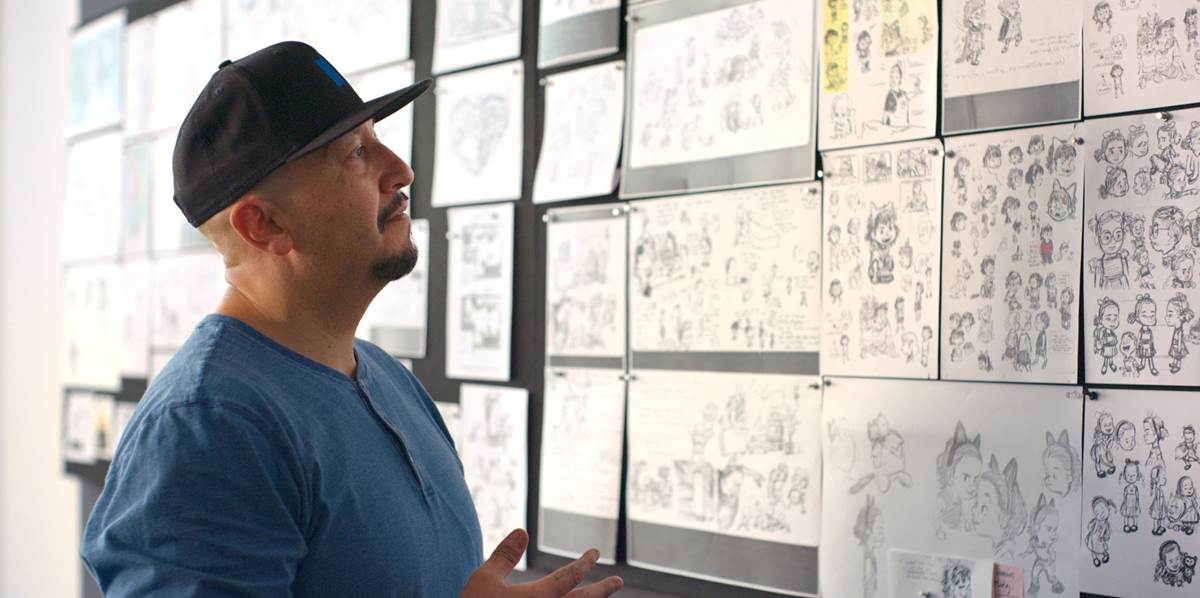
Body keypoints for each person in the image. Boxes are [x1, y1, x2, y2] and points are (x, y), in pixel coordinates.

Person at [79, 42, 623, 598]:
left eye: (376, 139)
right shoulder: (207, 426)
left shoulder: (386, 378)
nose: (402, 170)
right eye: (357, 153)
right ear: (264, 225)